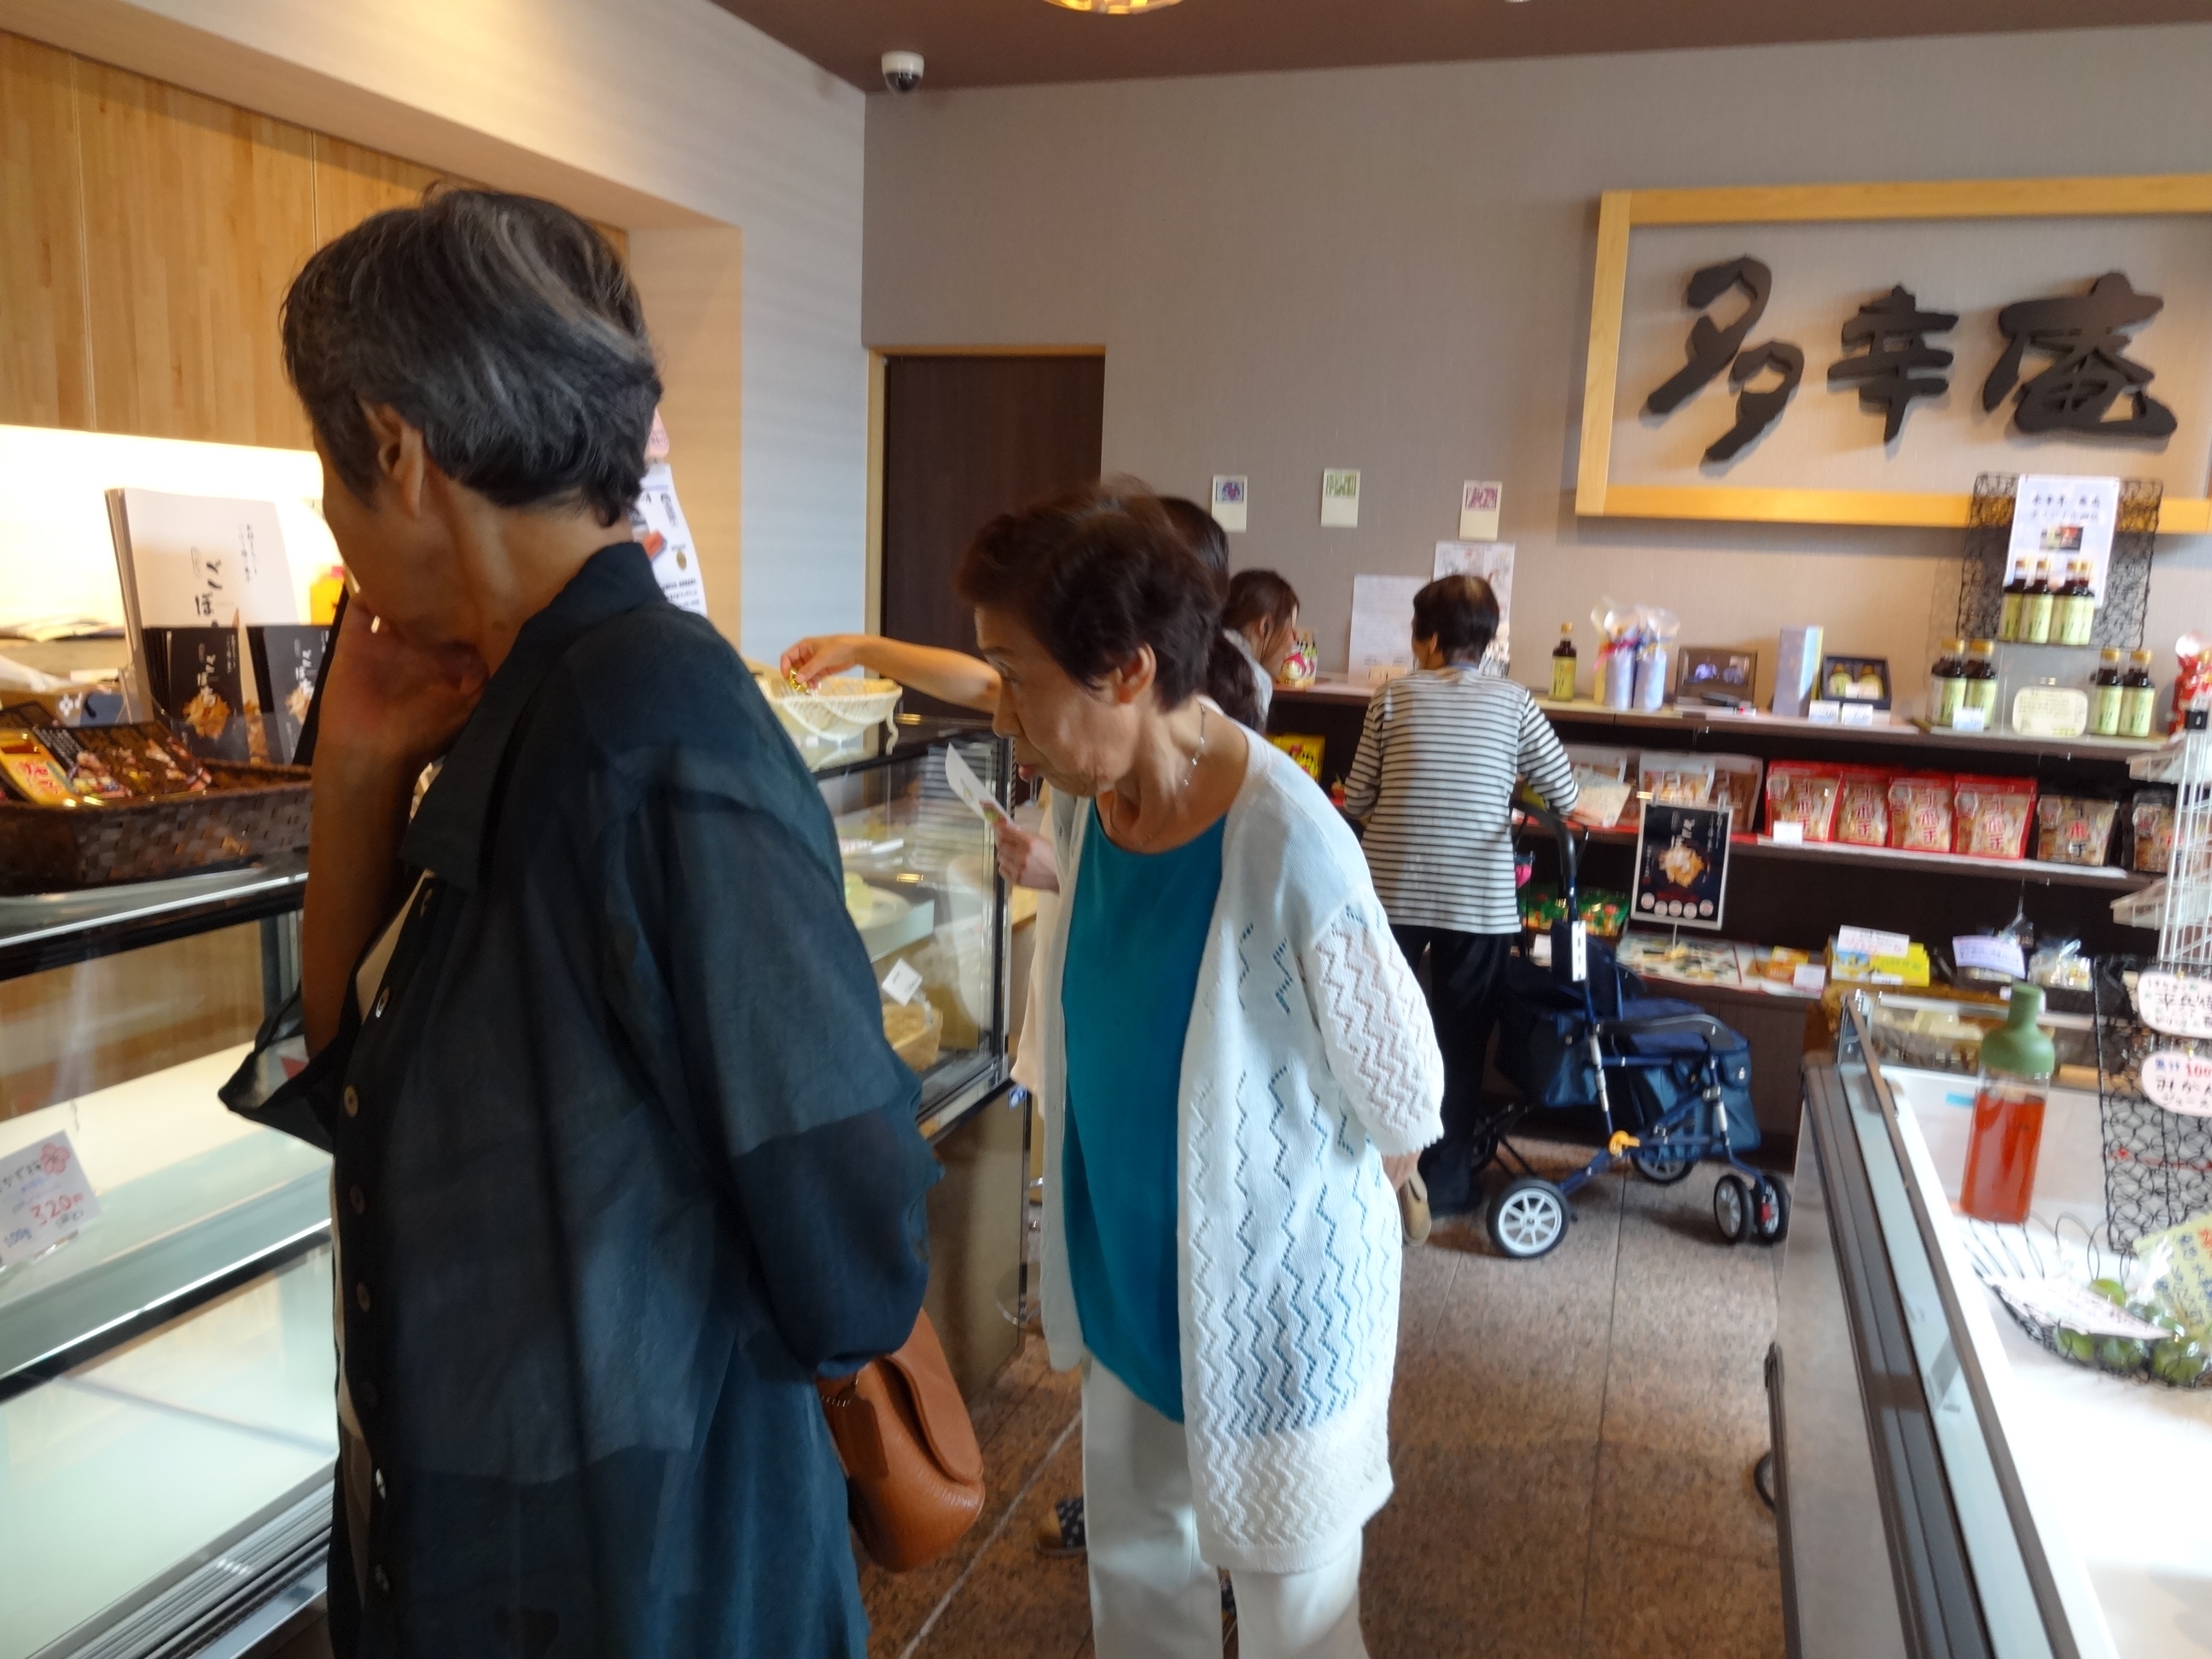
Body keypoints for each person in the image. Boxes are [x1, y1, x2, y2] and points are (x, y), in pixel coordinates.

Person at [221, 189, 937, 1657]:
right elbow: (361, 1082)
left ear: (397, 449)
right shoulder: (536, 698)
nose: (328, 516)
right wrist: (355, 774)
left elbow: (851, 1240)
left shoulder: (646, 721)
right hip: (524, 1534)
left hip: (644, 1570)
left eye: (323, 467)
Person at [960, 479, 1443, 1659]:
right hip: (1130, 1287)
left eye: (1017, 678)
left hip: (1269, 1315)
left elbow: (1406, 1097)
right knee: (1137, 1584)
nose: (1005, 714)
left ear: (1128, 671)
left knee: (1297, 1620)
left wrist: (1292, 1212)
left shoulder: (1288, 841)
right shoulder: (1089, 806)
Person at [1339, 574, 1580, 1218]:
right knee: (1460, 1040)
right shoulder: (1516, 702)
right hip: (1478, 901)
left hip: (1390, 895)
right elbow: (1565, 794)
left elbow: (1357, 799)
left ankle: (1367, 1178)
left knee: (1375, 1030)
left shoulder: (1391, 698)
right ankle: (1445, 1185)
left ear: (1427, 639)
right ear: (1488, 641)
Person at [1221, 569, 1301, 726]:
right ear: (1265, 626)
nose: (1294, 641)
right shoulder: (1253, 681)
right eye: (1291, 630)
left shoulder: (1198, 654)